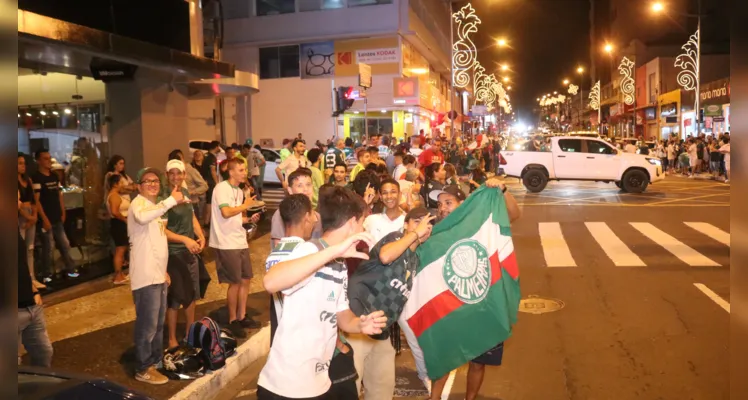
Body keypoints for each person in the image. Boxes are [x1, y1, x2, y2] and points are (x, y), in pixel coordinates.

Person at [258, 186, 388, 399]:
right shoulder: (307, 250)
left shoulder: (338, 263)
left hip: (318, 384)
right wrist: (333, 251)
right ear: (352, 222)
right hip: (285, 387)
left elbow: (343, 318)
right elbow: (271, 282)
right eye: (362, 222)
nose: (363, 228)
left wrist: (361, 324)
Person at [426, 180, 521, 400]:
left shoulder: (482, 224)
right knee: (444, 359)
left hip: (481, 307)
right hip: (448, 309)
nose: (442, 208)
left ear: (464, 204)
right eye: (439, 204)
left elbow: (514, 215)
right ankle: (435, 398)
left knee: (478, 363)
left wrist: (502, 190)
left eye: (448, 202)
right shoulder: (434, 230)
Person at [347, 207, 434, 400]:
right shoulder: (395, 237)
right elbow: (386, 257)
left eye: (427, 224)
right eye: (417, 221)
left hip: (382, 330)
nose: (423, 227)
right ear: (405, 225)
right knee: (349, 387)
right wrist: (414, 234)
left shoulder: (415, 258)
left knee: (382, 390)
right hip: (357, 322)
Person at [128, 167, 188, 385]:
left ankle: (155, 363)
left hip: (157, 276)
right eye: (147, 181)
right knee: (147, 325)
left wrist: (163, 271)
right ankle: (143, 368)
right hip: (145, 278)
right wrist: (170, 201)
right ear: (139, 186)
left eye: (155, 181)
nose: (153, 184)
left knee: (157, 324)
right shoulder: (139, 204)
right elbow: (142, 219)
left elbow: (156, 243)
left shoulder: (154, 207)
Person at [210, 159, 262, 338]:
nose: (244, 172)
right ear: (231, 172)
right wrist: (245, 206)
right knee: (235, 282)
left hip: (239, 240)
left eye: (245, 169)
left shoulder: (239, 191)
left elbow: (236, 217)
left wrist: (248, 219)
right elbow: (225, 212)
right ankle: (232, 319)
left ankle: (242, 315)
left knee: (246, 279)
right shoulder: (221, 188)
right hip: (226, 242)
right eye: (241, 169)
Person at [33, 149, 79, 281]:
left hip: (57, 216)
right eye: (45, 159)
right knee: (48, 247)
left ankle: (71, 268)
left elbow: (59, 195)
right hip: (46, 218)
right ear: (39, 161)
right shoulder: (36, 178)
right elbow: (37, 201)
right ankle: (46, 274)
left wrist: (63, 211)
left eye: (49, 158)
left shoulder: (53, 176)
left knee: (65, 243)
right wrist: (44, 219)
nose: (48, 161)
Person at [18, 227, 53, 368]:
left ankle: (38, 389)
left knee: (43, 353)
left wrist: (33, 290)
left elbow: (20, 262)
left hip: (31, 304)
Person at [270, 168, 322, 249]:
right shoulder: (282, 213)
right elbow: (279, 248)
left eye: (308, 184)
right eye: (300, 185)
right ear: (290, 190)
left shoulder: (318, 216)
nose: (306, 189)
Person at [18, 153, 44, 289]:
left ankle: (32, 277)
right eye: (19, 163)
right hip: (20, 216)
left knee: (30, 248)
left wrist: (33, 216)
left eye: (24, 163)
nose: (23, 166)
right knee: (20, 249)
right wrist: (27, 217)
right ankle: (23, 280)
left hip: (30, 213)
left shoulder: (27, 180)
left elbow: (34, 199)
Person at [363, 178, 406, 244]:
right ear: (380, 197)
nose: (389, 196)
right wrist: (364, 204)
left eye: (393, 192)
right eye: (385, 193)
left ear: (400, 195)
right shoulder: (371, 219)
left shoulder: (406, 221)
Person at [106, 174, 131, 285]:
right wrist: (125, 220)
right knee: (120, 250)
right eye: (121, 183)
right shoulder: (114, 196)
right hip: (119, 224)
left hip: (120, 224)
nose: (123, 185)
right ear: (116, 184)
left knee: (122, 249)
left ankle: (120, 274)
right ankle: (118, 275)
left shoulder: (115, 195)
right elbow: (115, 212)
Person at [201, 142, 221, 226]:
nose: (219, 148)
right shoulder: (212, 157)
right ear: (216, 147)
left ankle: (207, 220)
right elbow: (213, 171)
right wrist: (217, 183)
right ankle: (207, 221)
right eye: (218, 146)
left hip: (206, 181)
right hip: (211, 182)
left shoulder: (206, 156)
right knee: (210, 202)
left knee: (208, 201)